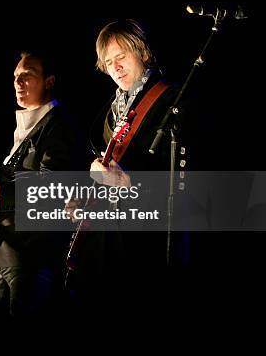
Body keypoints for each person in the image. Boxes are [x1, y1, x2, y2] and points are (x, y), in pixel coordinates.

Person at [67, 19, 184, 308]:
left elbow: (187, 180)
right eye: (108, 62)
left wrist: (130, 182)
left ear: (143, 52)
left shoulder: (172, 99)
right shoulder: (110, 110)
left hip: (148, 243)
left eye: (122, 57)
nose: (115, 67)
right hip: (108, 240)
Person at [0, 50, 84, 320]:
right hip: (2, 257)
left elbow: (53, 192)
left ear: (49, 81)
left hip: (32, 258)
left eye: (27, 75)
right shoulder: (24, 130)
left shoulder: (59, 126)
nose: (18, 82)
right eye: (16, 76)